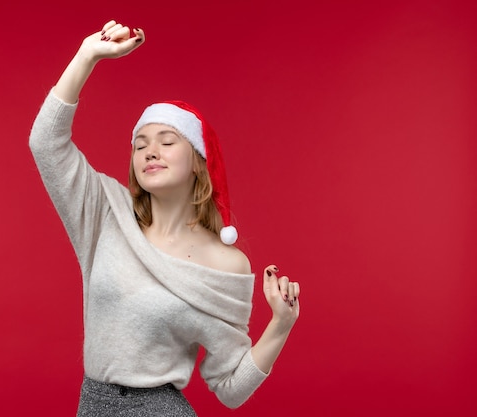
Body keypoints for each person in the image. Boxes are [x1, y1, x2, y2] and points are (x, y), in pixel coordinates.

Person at [29, 20, 301, 416]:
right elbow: (45, 144)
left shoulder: (227, 264)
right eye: (140, 145)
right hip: (91, 404)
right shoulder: (106, 211)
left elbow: (229, 387)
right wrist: (88, 55)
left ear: (198, 161)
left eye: (167, 141)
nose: (150, 151)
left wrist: (280, 324)